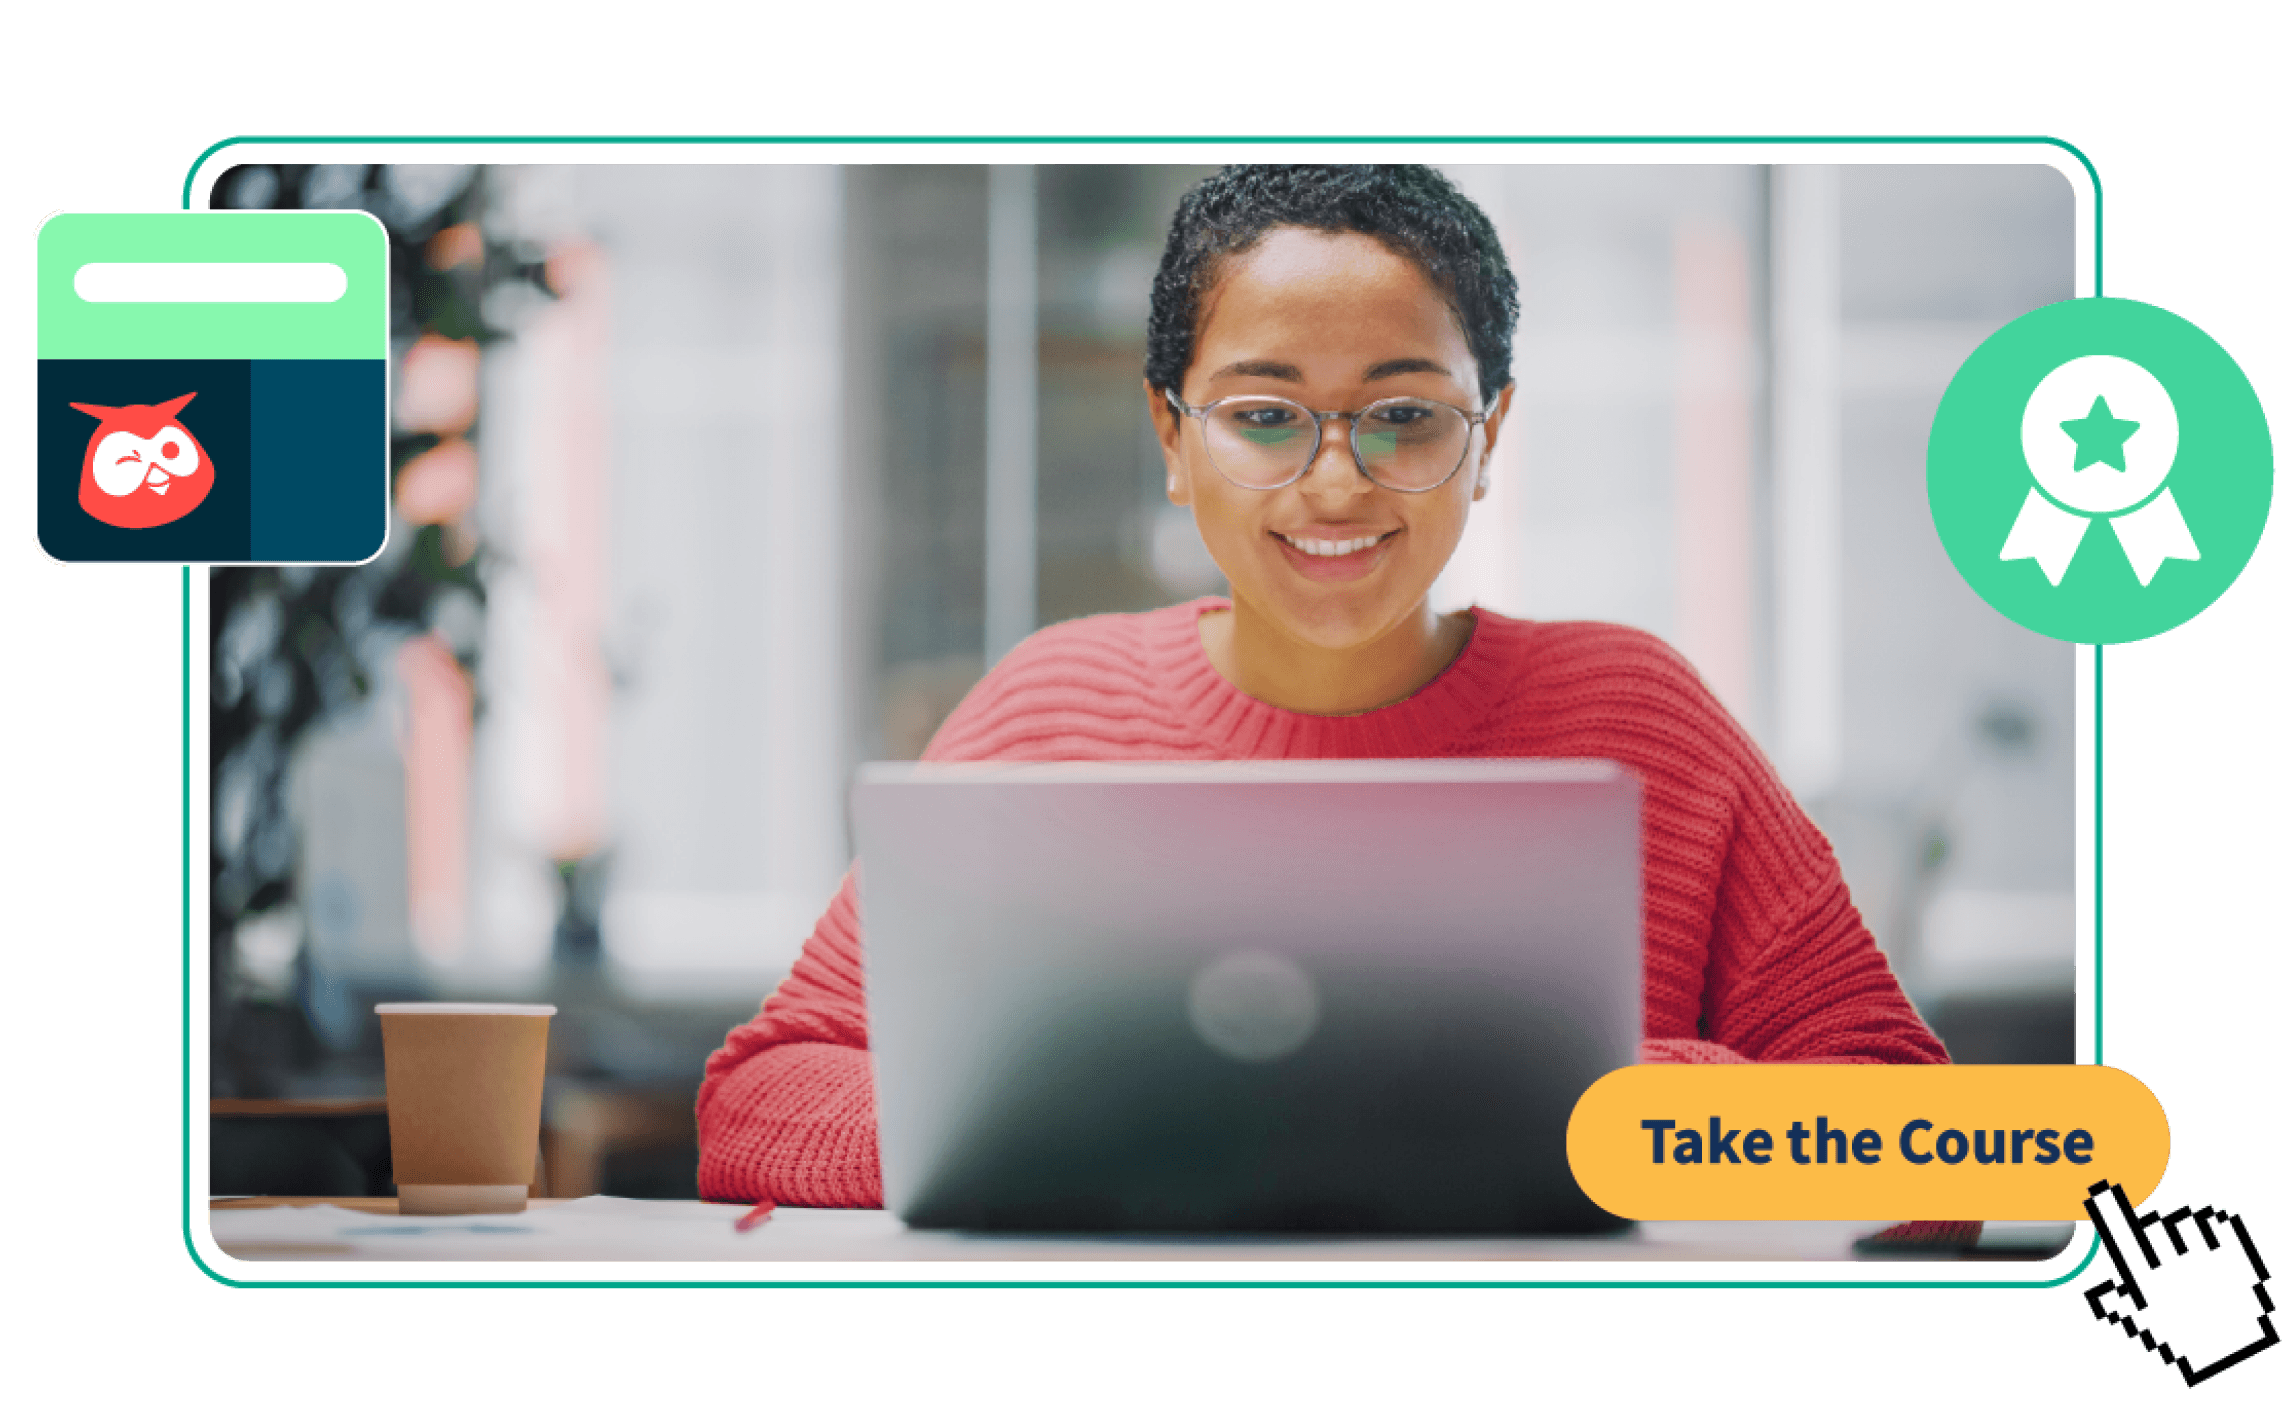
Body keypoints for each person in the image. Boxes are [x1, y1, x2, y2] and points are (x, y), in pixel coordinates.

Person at [697, 165, 1948, 1210]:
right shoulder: (1047, 712)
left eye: (1404, 415)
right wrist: (1082, 1115)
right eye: (1263, 415)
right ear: (1173, 441)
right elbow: (757, 1100)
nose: (1337, 482)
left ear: (1489, 438)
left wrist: (1612, 1103)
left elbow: (1917, 1136)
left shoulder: (1639, 719)